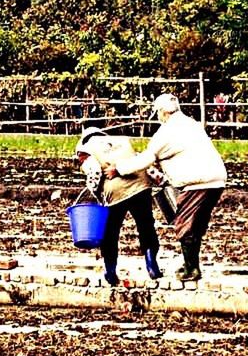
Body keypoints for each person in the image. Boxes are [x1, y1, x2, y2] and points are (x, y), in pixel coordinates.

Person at [105, 94, 226, 281]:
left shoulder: (166, 132)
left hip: (198, 182)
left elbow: (146, 158)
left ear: (162, 112)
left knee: (184, 224)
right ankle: (191, 264)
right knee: (196, 225)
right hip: (217, 179)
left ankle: (191, 269)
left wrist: (118, 169)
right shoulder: (191, 124)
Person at [74, 127, 162, 286]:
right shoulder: (122, 141)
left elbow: (94, 173)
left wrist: (96, 192)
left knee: (110, 232)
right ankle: (151, 264)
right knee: (146, 225)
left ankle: (110, 271)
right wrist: (160, 180)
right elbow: (145, 165)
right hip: (141, 187)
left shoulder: (86, 149)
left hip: (115, 193)